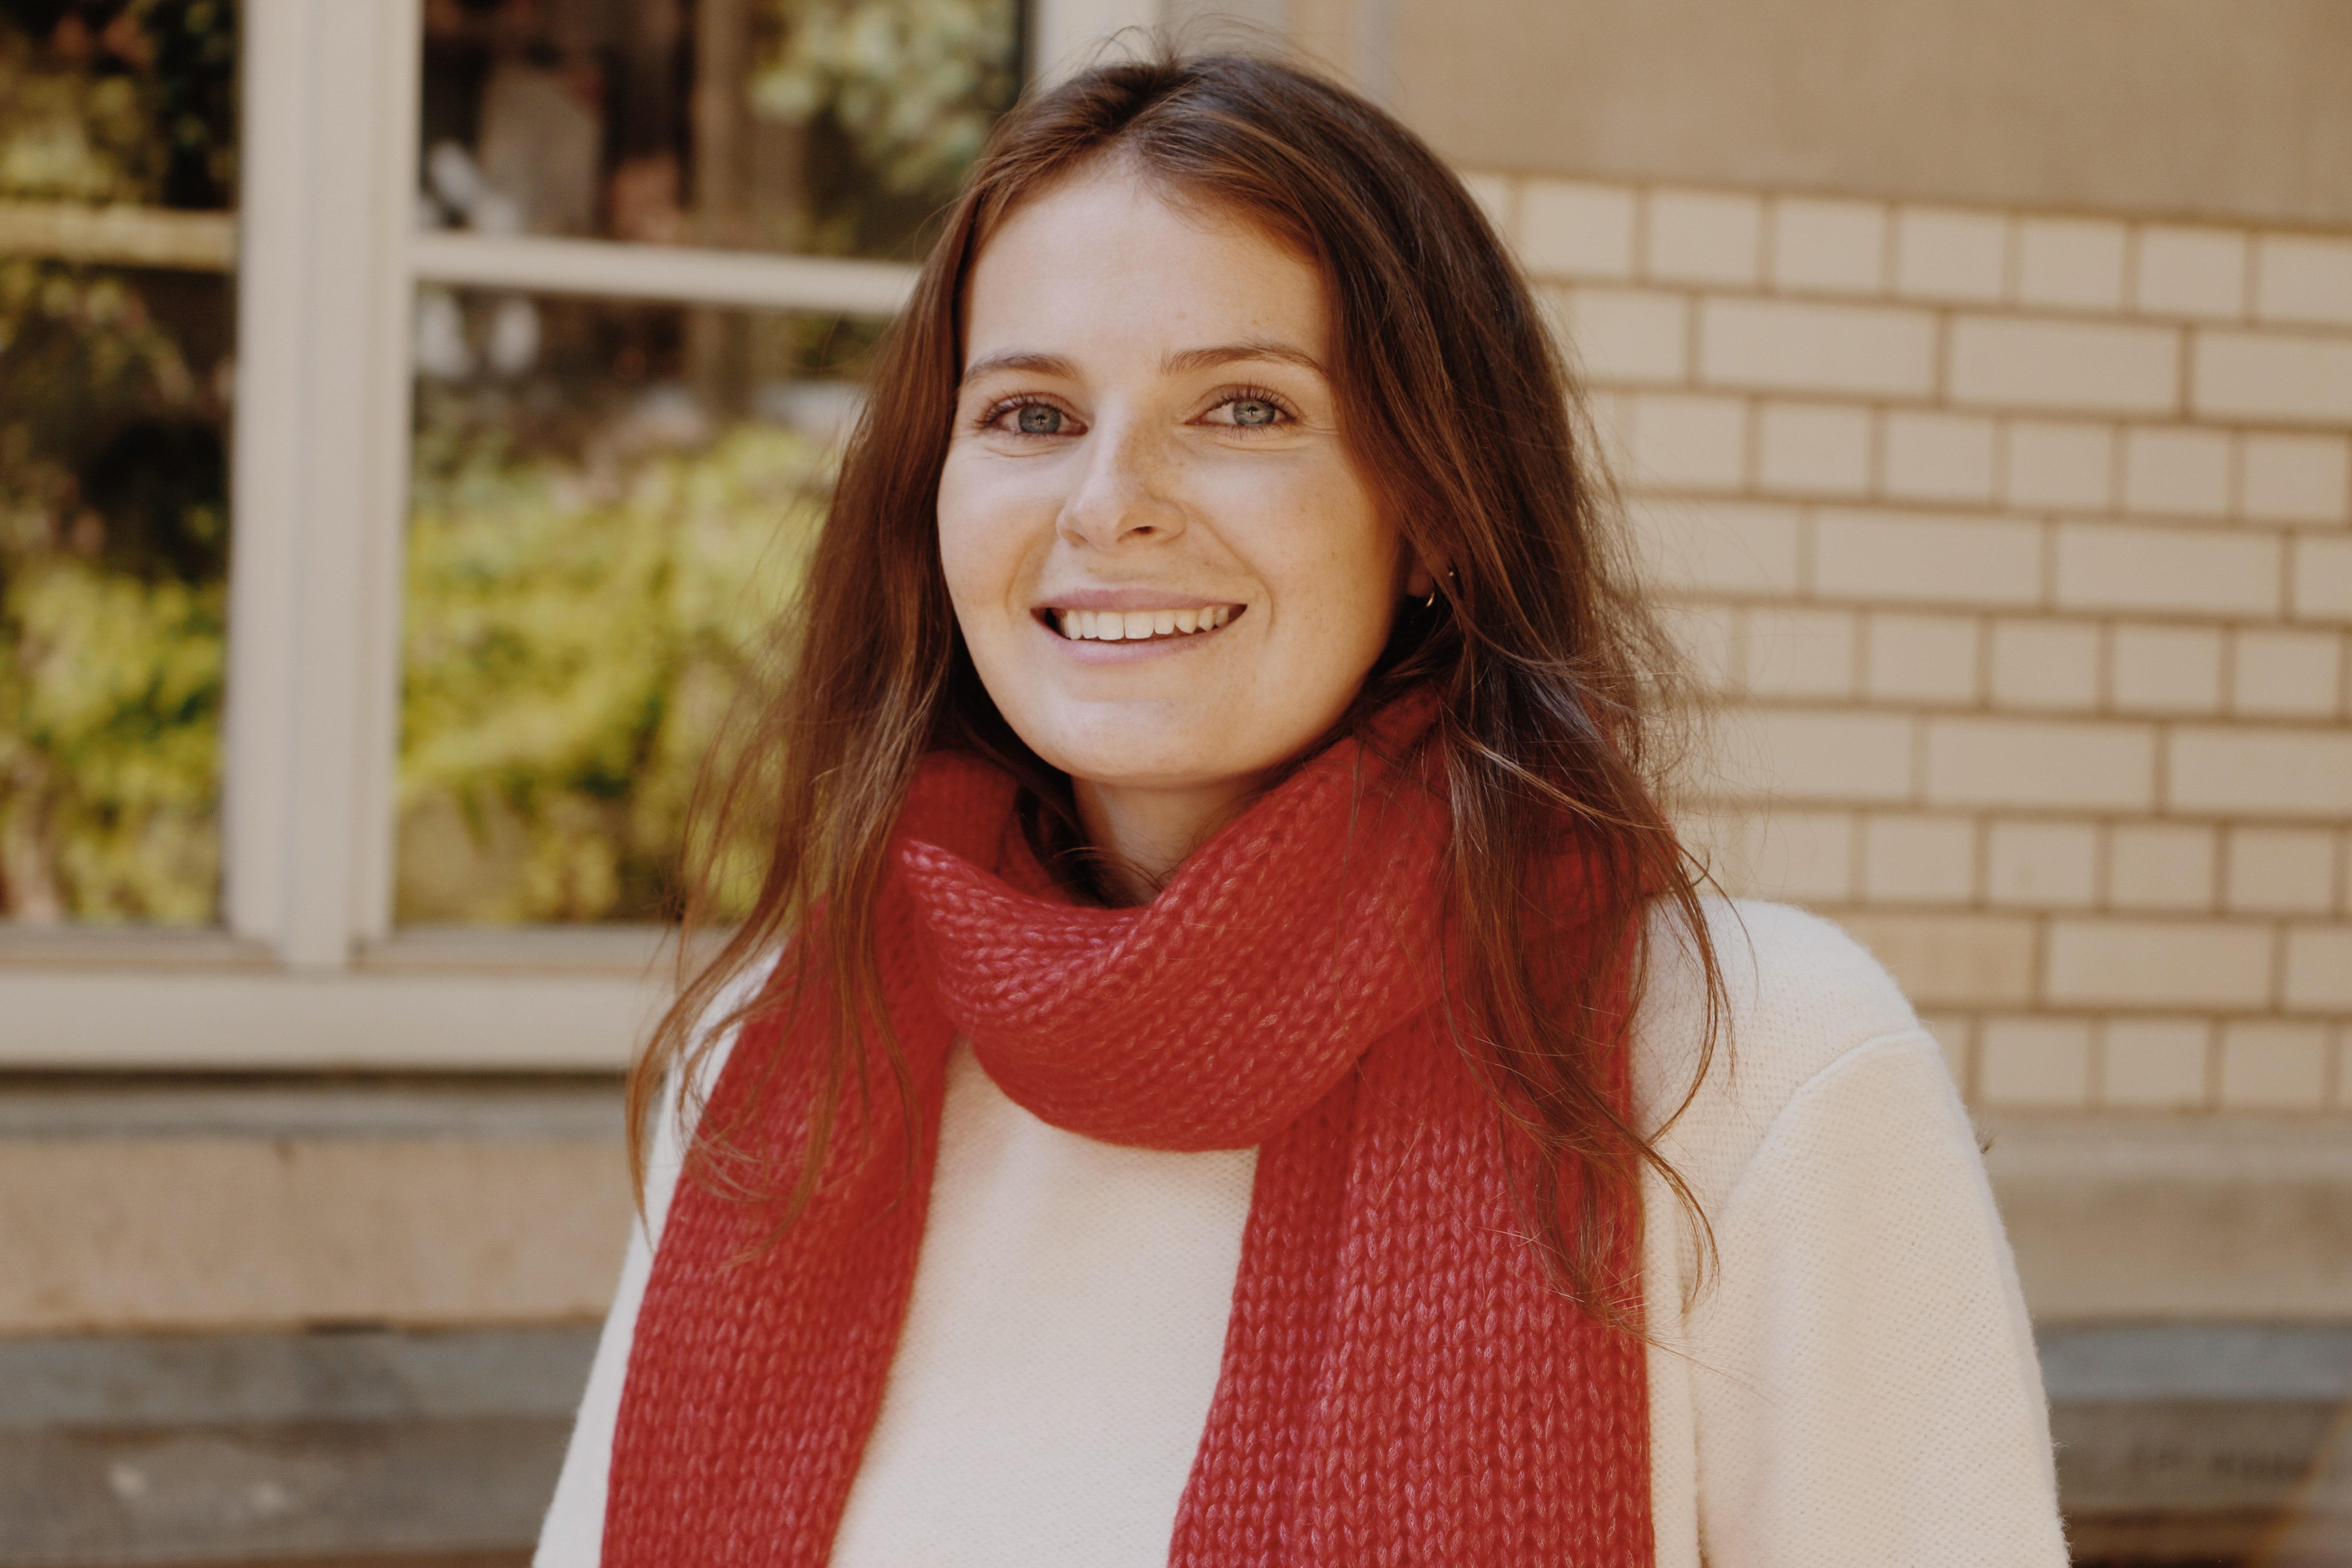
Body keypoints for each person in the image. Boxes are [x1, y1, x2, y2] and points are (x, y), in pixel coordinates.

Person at [536, 49, 2069, 1568]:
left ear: (1438, 519)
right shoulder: (790, 1059)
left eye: (1246, 411)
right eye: (1029, 415)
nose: (1107, 502)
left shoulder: (1746, 1067)